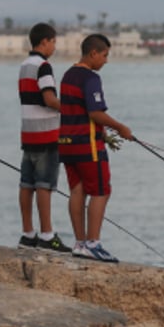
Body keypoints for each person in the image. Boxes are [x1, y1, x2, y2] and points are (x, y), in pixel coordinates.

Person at [59, 33, 133, 262]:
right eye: (104, 55)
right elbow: (95, 112)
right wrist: (121, 128)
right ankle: (93, 242)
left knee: (77, 191)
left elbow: (77, 110)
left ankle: (80, 243)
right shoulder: (90, 78)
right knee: (101, 191)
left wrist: (102, 131)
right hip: (87, 145)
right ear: (93, 54)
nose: (106, 60)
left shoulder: (67, 75)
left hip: (66, 144)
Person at [17, 23, 70, 252]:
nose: (54, 47)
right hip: (46, 134)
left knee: (26, 184)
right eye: (54, 42)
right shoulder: (44, 66)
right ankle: (47, 235)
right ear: (45, 42)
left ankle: (28, 234)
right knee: (44, 185)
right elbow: (49, 99)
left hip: (28, 132)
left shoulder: (24, 65)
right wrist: (70, 109)